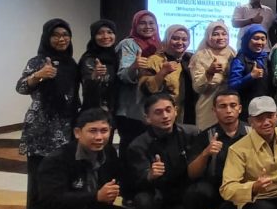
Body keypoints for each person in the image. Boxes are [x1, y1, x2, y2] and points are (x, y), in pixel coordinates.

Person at [17, 19, 81, 204]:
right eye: (55, 35)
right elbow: (21, 87)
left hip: (66, 124)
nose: (61, 39)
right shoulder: (38, 61)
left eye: (65, 35)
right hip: (42, 126)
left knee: (61, 174)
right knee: (38, 175)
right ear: (46, 37)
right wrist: (38, 75)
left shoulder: (71, 63)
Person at [127, 92, 201, 209]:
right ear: (147, 118)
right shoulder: (137, 146)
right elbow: (133, 184)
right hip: (156, 195)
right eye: (158, 112)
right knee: (143, 200)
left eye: (168, 110)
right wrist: (149, 176)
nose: (165, 116)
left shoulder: (192, 133)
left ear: (176, 111)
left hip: (180, 197)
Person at [183, 89, 248, 209]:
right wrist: (205, 153)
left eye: (233, 105)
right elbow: (192, 173)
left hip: (244, 189)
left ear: (240, 108)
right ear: (214, 110)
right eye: (222, 106)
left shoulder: (252, 132)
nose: (228, 110)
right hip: (216, 189)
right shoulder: (205, 136)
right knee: (193, 193)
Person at [115, 10, 161, 161]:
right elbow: (123, 75)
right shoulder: (128, 44)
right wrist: (134, 66)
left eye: (151, 23)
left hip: (152, 107)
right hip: (132, 111)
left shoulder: (160, 46)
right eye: (142, 23)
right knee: (131, 153)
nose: (147, 26)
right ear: (135, 25)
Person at [141, 24, 197, 125]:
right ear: (167, 39)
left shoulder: (192, 59)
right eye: (175, 38)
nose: (180, 42)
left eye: (184, 39)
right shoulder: (155, 60)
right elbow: (144, 89)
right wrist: (162, 73)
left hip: (191, 114)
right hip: (164, 115)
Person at [189, 20, 235, 130]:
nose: (221, 37)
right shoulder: (201, 56)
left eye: (224, 34)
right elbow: (198, 88)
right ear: (208, 36)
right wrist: (209, 73)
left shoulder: (233, 53)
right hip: (208, 109)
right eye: (215, 34)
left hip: (231, 108)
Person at [227, 24, 271, 118]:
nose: (260, 42)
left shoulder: (265, 58)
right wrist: (251, 76)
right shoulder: (239, 60)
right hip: (247, 110)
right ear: (247, 39)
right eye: (256, 38)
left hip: (265, 107)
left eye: (263, 39)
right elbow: (232, 86)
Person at [78, 19, 119, 113]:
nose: (105, 36)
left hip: (116, 112)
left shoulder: (116, 56)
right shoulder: (89, 59)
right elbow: (87, 88)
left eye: (110, 32)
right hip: (95, 112)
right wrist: (94, 76)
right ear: (93, 36)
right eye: (100, 33)